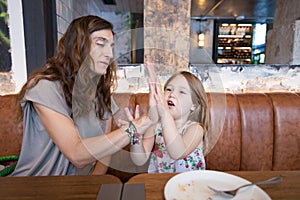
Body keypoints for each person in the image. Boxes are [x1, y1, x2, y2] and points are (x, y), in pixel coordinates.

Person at [10, 15, 156, 176]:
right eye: (100, 44)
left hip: (78, 187)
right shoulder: (44, 86)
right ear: (77, 46)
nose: (109, 54)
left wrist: (92, 184)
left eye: (111, 47)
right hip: (38, 185)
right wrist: (136, 127)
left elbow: (105, 152)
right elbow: (77, 154)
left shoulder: (100, 91)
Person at [129, 66, 210, 173]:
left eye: (182, 92)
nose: (172, 94)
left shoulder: (195, 129)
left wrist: (164, 113)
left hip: (189, 185)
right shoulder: (155, 126)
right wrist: (135, 136)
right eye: (169, 89)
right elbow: (139, 160)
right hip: (160, 182)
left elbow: (177, 153)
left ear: (194, 105)